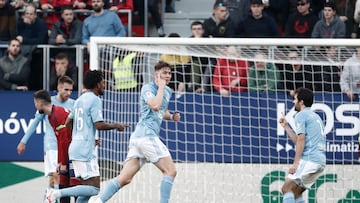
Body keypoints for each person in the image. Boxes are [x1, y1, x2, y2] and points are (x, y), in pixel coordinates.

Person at [93, 61, 180, 203]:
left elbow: (162, 109)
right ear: (156, 74)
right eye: (164, 73)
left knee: (124, 178)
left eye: (169, 73)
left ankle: (97, 201)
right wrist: (161, 88)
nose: (168, 76)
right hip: (146, 137)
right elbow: (155, 105)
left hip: (139, 140)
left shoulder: (167, 91)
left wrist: (171, 116)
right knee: (170, 171)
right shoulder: (148, 88)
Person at [44, 70, 129, 203]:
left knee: (86, 191)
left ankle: (57, 193)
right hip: (84, 150)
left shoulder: (79, 100)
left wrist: (80, 135)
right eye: (103, 82)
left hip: (77, 148)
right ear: (97, 84)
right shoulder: (95, 100)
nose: (104, 84)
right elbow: (99, 125)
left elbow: (67, 122)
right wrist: (117, 125)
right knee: (94, 189)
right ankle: (56, 193)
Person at [17, 76, 75, 203]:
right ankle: (50, 199)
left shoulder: (73, 104)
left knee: (70, 180)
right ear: (59, 88)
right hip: (52, 146)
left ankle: (49, 198)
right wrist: (23, 141)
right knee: (56, 177)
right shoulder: (48, 104)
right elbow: (35, 123)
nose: (69, 93)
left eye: (71, 90)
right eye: (66, 89)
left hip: (69, 147)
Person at [279, 87, 326, 203]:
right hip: (319, 161)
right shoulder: (316, 117)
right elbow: (298, 141)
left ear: (301, 102)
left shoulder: (301, 115)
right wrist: (286, 126)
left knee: (286, 188)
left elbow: (301, 139)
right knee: (295, 193)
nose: (293, 102)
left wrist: (296, 164)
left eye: (295, 99)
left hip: (309, 159)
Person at [32, 88, 78, 203]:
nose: (35, 107)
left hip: (74, 154)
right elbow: (59, 140)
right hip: (68, 154)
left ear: (40, 103)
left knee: (75, 187)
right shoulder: (51, 116)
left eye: (35, 104)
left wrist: (63, 163)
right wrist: (59, 162)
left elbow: (65, 141)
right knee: (63, 186)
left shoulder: (57, 115)